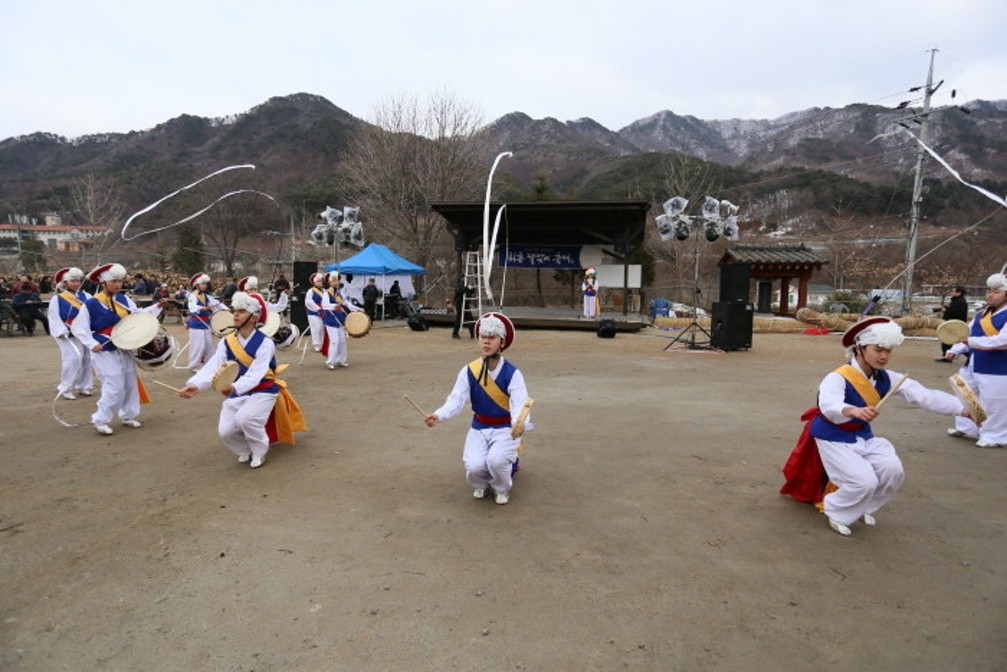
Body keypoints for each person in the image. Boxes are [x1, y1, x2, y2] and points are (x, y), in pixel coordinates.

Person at [780, 316, 969, 535]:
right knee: (864, 481)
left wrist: (961, 409)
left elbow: (923, 396)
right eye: (878, 349)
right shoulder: (837, 377)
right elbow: (828, 404)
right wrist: (852, 410)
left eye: (888, 350)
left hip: (861, 434)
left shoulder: (888, 378)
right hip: (832, 435)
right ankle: (837, 512)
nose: (884, 356)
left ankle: (863, 507)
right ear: (859, 348)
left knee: (892, 471)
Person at [178, 292, 306, 468]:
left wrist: (234, 387)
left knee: (245, 418)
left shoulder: (265, 343)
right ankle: (244, 450)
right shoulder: (226, 341)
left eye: (241, 311)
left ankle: (259, 451)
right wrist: (195, 386)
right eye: (234, 310)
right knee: (225, 431)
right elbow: (214, 366)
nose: (235, 314)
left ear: (254, 317)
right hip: (237, 392)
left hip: (263, 390)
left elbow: (256, 373)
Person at [423, 313, 532, 505]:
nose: (486, 341)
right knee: (474, 466)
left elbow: (520, 404)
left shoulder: (513, 373)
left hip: (505, 429)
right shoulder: (468, 371)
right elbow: (456, 400)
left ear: (502, 341)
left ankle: (501, 488)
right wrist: (438, 415)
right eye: (483, 336)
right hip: (479, 428)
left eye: (492, 337)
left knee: (496, 460)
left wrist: (519, 424)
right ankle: (481, 483)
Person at [71, 263, 166, 435]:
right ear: (103, 283)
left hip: (125, 346)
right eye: (114, 281)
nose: (118, 284)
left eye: (120, 281)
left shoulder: (124, 300)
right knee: (114, 384)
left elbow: (138, 317)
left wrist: (156, 307)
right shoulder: (91, 304)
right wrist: (92, 344)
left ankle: (128, 415)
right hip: (104, 349)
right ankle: (100, 420)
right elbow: (79, 328)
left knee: (130, 382)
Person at [943, 272, 1007, 448]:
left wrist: (971, 342)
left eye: (996, 292)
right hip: (973, 363)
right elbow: (966, 333)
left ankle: (995, 436)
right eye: (989, 291)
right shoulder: (982, 313)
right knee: (964, 395)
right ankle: (967, 427)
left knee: (994, 403)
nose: (990, 295)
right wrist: (955, 349)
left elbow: (1002, 341)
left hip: (998, 367)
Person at [46, 267, 94, 399]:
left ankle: (84, 385)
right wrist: (60, 330)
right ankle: (66, 387)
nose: (76, 283)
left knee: (88, 359)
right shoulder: (57, 299)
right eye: (73, 281)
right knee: (73, 359)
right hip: (67, 333)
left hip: (84, 331)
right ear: (65, 282)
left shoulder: (86, 296)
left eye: (78, 281)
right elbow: (53, 316)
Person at [320, 270, 363, 369]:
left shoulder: (340, 294)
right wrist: (335, 305)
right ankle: (330, 361)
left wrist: (358, 309)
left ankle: (341, 360)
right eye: (334, 281)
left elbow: (347, 304)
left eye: (337, 281)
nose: (336, 282)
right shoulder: (327, 293)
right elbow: (324, 305)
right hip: (330, 320)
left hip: (340, 319)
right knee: (334, 341)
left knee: (342, 341)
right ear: (330, 282)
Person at [185, 272, 228, 370]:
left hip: (206, 324)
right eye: (203, 284)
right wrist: (202, 307)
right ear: (197, 285)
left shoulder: (205, 296)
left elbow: (215, 303)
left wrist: (226, 309)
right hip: (196, 325)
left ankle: (209, 365)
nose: (205, 286)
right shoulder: (193, 295)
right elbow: (192, 307)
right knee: (198, 346)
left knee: (209, 345)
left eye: (205, 284)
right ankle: (194, 365)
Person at [936, 285, 969, 360]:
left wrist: (946, 310)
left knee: (951, 341)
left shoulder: (960, 302)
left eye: (953, 291)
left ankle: (947, 357)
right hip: (953, 324)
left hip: (956, 325)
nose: (951, 292)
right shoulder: (956, 300)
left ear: (959, 293)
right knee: (952, 341)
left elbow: (957, 313)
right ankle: (947, 356)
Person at [303, 272, 327, 352]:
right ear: (314, 282)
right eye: (318, 281)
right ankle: (316, 344)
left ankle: (322, 344)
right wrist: (317, 308)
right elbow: (308, 302)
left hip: (323, 312)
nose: (320, 283)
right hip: (313, 312)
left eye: (321, 281)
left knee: (322, 327)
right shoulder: (311, 291)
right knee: (316, 327)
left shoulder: (324, 291)